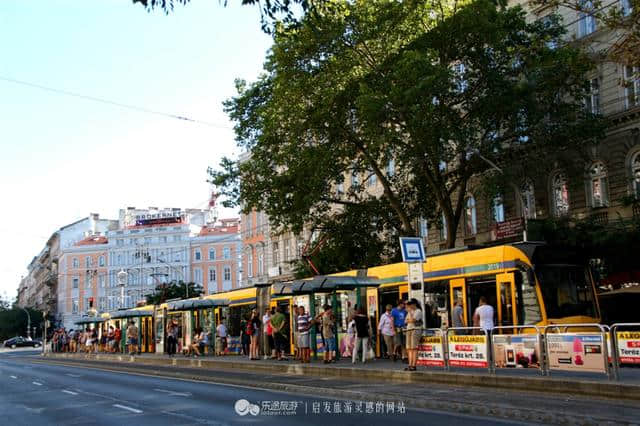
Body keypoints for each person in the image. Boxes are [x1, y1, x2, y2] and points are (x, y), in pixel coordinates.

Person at [405, 298, 423, 371]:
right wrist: (409, 319)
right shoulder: (410, 311)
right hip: (409, 329)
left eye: (410, 304)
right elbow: (405, 321)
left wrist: (410, 316)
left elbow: (413, 320)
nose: (409, 306)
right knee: (409, 348)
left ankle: (413, 365)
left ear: (414, 304)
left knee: (414, 348)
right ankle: (410, 364)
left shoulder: (418, 311)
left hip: (415, 330)